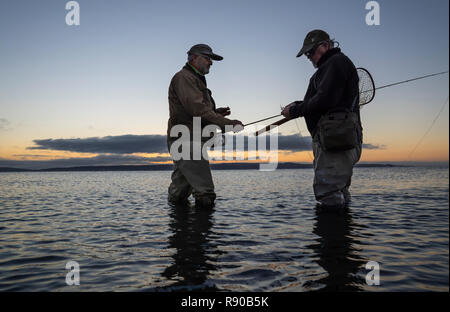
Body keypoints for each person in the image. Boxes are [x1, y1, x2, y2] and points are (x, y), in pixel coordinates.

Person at [281, 30, 363, 211]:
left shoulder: (336, 62)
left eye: (310, 52)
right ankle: (341, 235)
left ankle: (332, 237)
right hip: (333, 141)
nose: (308, 57)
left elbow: (325, 100)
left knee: (328, 192)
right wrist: (298, 105)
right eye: (307, 54)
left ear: (325, 46)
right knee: (337, 190)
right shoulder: (330, 67)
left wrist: (294, 110)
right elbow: (325, 99)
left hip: (336, 142)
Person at [167, 44, 243, 208]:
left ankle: (179, 231)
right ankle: (201, 233)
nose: (211, 62)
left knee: (179, 192)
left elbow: (196, 110)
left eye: (211, 59)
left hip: (186, 141)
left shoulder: (193, 79)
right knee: (205, 193)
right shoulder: (184, 77)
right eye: (207, 58)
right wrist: (229, 124)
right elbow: (198, 110)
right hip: (187, 141)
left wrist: (216, 112)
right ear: (193, 57)